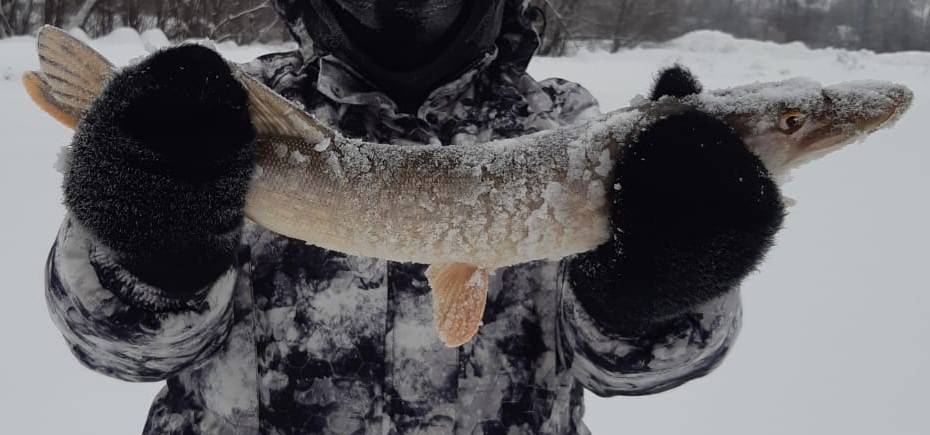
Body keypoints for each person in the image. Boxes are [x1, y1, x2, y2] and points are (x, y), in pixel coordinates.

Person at [46, 1, 784, 433]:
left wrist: (663, 278)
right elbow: (120, 349)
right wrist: (148, 245)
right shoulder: (232, 115)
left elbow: (634, 369)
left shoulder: (566, 129)